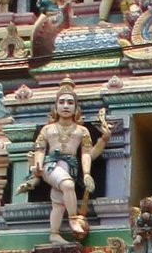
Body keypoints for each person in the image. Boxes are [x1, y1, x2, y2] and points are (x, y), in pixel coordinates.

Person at [28, 89, 108, 242]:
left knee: (58, 203)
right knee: (68, 185)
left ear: (76, 108)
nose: (66, 106)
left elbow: (86, 154)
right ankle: (73, 219)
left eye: (70, 103)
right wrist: (37, 166)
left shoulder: (81, 131)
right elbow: (40, 149)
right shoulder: (47, 129)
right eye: (61, 102)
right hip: (50, 165)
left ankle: (54, 234)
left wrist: (86, 173)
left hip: (69, 166)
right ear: (55, 107)